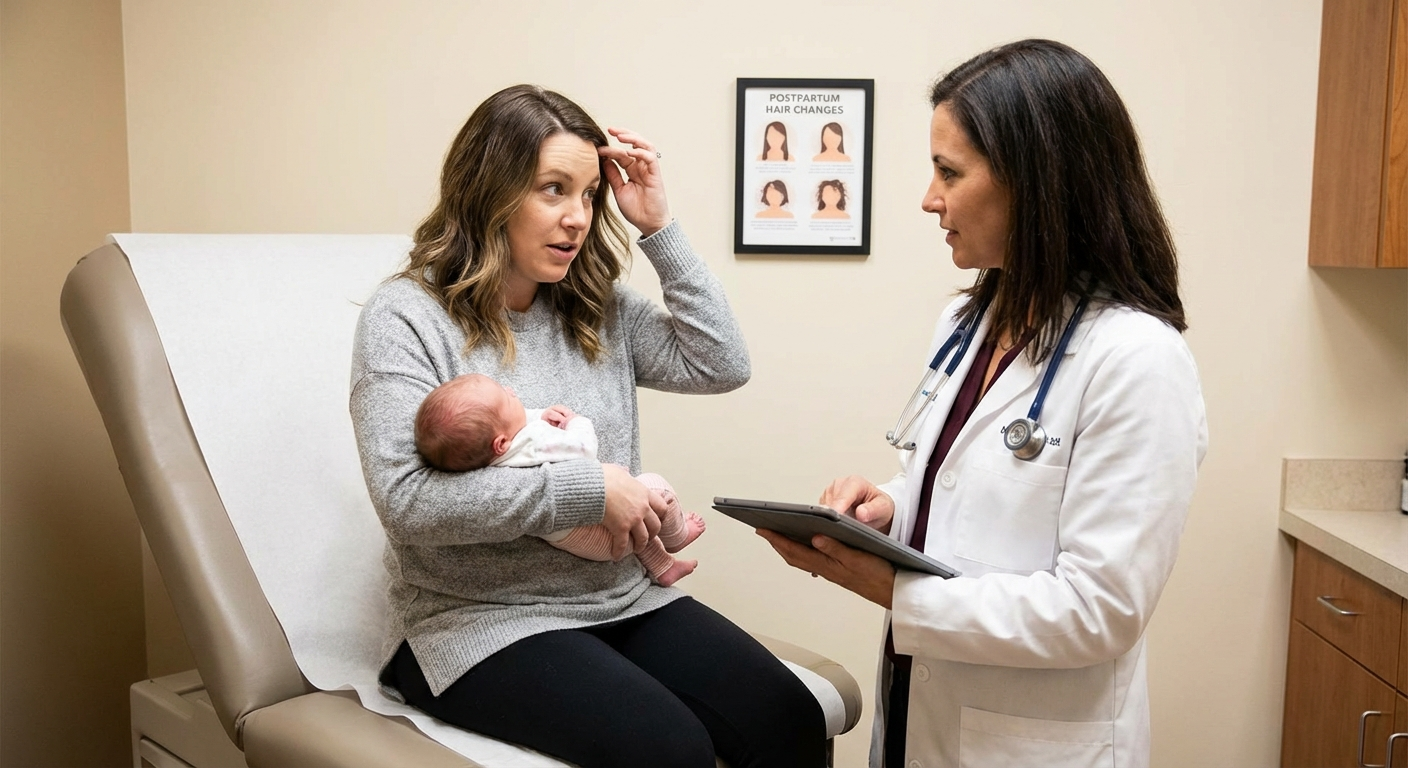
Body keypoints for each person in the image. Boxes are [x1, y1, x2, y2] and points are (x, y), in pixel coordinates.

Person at [758, 39, 1208, 768]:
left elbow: (1101, 611)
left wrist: (896, 593)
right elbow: (966, 495)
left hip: (1028, 743)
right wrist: (889, 507)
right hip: (920, 714)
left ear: (1038, 183)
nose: (929, 197)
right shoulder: (968, 323)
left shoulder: (1136, 360)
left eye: (949, 172)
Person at [351, 84, 825, 768]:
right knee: (671, 750)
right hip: (480, 623)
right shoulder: (406, 318)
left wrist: (659, 230)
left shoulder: (592, 306)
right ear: (490, 191)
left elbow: (722, 363)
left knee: (790, 719)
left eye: (589, 194)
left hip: (621, 600)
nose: (578, 218)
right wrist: (590, 489)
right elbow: (410, 505)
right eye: (552, 190)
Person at [413, 372, 705, 586]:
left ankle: (664, 566)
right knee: (655, 490)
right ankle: (677, 537)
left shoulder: (495, 457)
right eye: (506, 397)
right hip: (594, 535)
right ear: (500, 443)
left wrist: (541, 416)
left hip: (573, 538)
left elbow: (518, 427)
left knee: (636, 520)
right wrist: (576, 422)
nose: (512, 391)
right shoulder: (534, 442)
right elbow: (584, 449)